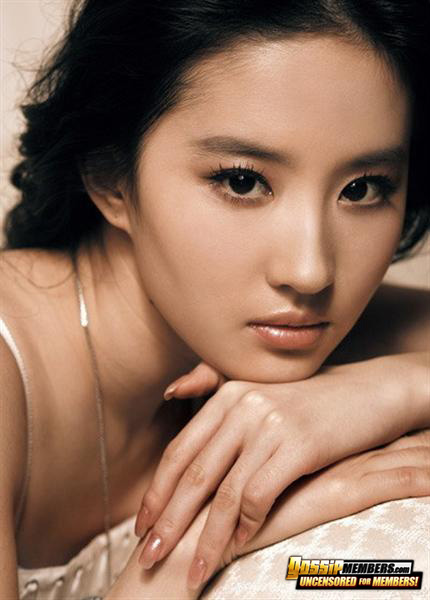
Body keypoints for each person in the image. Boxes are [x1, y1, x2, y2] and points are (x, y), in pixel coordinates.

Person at [1, 0, 429, 598]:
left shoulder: (313, 324)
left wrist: (392, 389)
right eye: (242, 181)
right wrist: (187, 556)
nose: (310, 272)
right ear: (109, 174)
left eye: (362, 189)